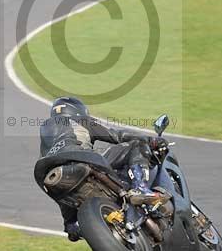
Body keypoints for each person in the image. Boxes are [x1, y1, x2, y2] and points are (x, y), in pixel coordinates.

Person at [40, 96, 170, 241]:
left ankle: (72, 224)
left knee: (61, 189)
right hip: (81, 160)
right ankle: (140, 187)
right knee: (136, 145)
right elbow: (116, 136)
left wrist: (69, 221)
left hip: (50, 175)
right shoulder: (80, 120)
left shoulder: (46, 130)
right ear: (79, 111)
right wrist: (150, 140)